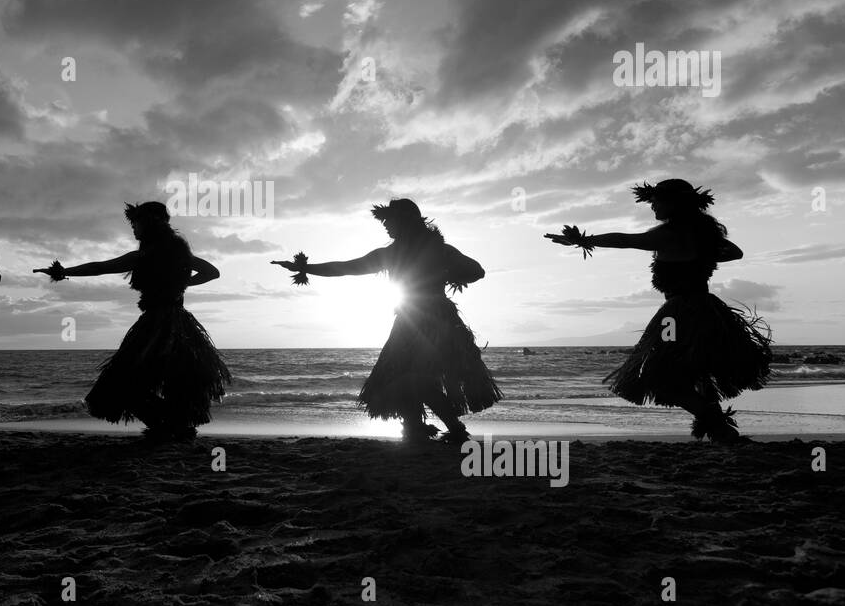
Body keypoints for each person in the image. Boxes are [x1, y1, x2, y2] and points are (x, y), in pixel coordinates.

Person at [545, 179, 771, 442]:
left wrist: (582, 240)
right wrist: (701, 254)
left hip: (679, 313)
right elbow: (735, 252)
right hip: (707, 309)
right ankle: (719, 429)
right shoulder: (703, 233)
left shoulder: (668, 234)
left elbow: (625, 240)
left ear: (674, 204)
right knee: (695, 370)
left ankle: (717, 424)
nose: (652, 207)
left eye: (656, 202)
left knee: (658, 376)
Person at [272, 198, 502, 445]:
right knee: (396, 374)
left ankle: (455, 429)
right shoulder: (393, 253)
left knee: (417, 377)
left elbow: (477, 271)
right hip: (407, 322)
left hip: (438, 323)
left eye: (389, 221)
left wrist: (445, 272)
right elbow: (346, 267)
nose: (385, 227)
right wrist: (305, 268)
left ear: (404, 221)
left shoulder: (438, 251)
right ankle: (413, 427)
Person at [35, 201, 231, 443]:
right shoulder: (180, 255)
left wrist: (63, 271)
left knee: (121, 382)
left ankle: (169, 424)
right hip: (179, 324)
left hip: (157, 325)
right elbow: (212, 272)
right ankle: (173, 426)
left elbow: (101, 268)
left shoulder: (146, 255)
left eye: (136, 223)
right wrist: (180, 284)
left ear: (148, 223)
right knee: (174, 380)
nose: (133, 229)